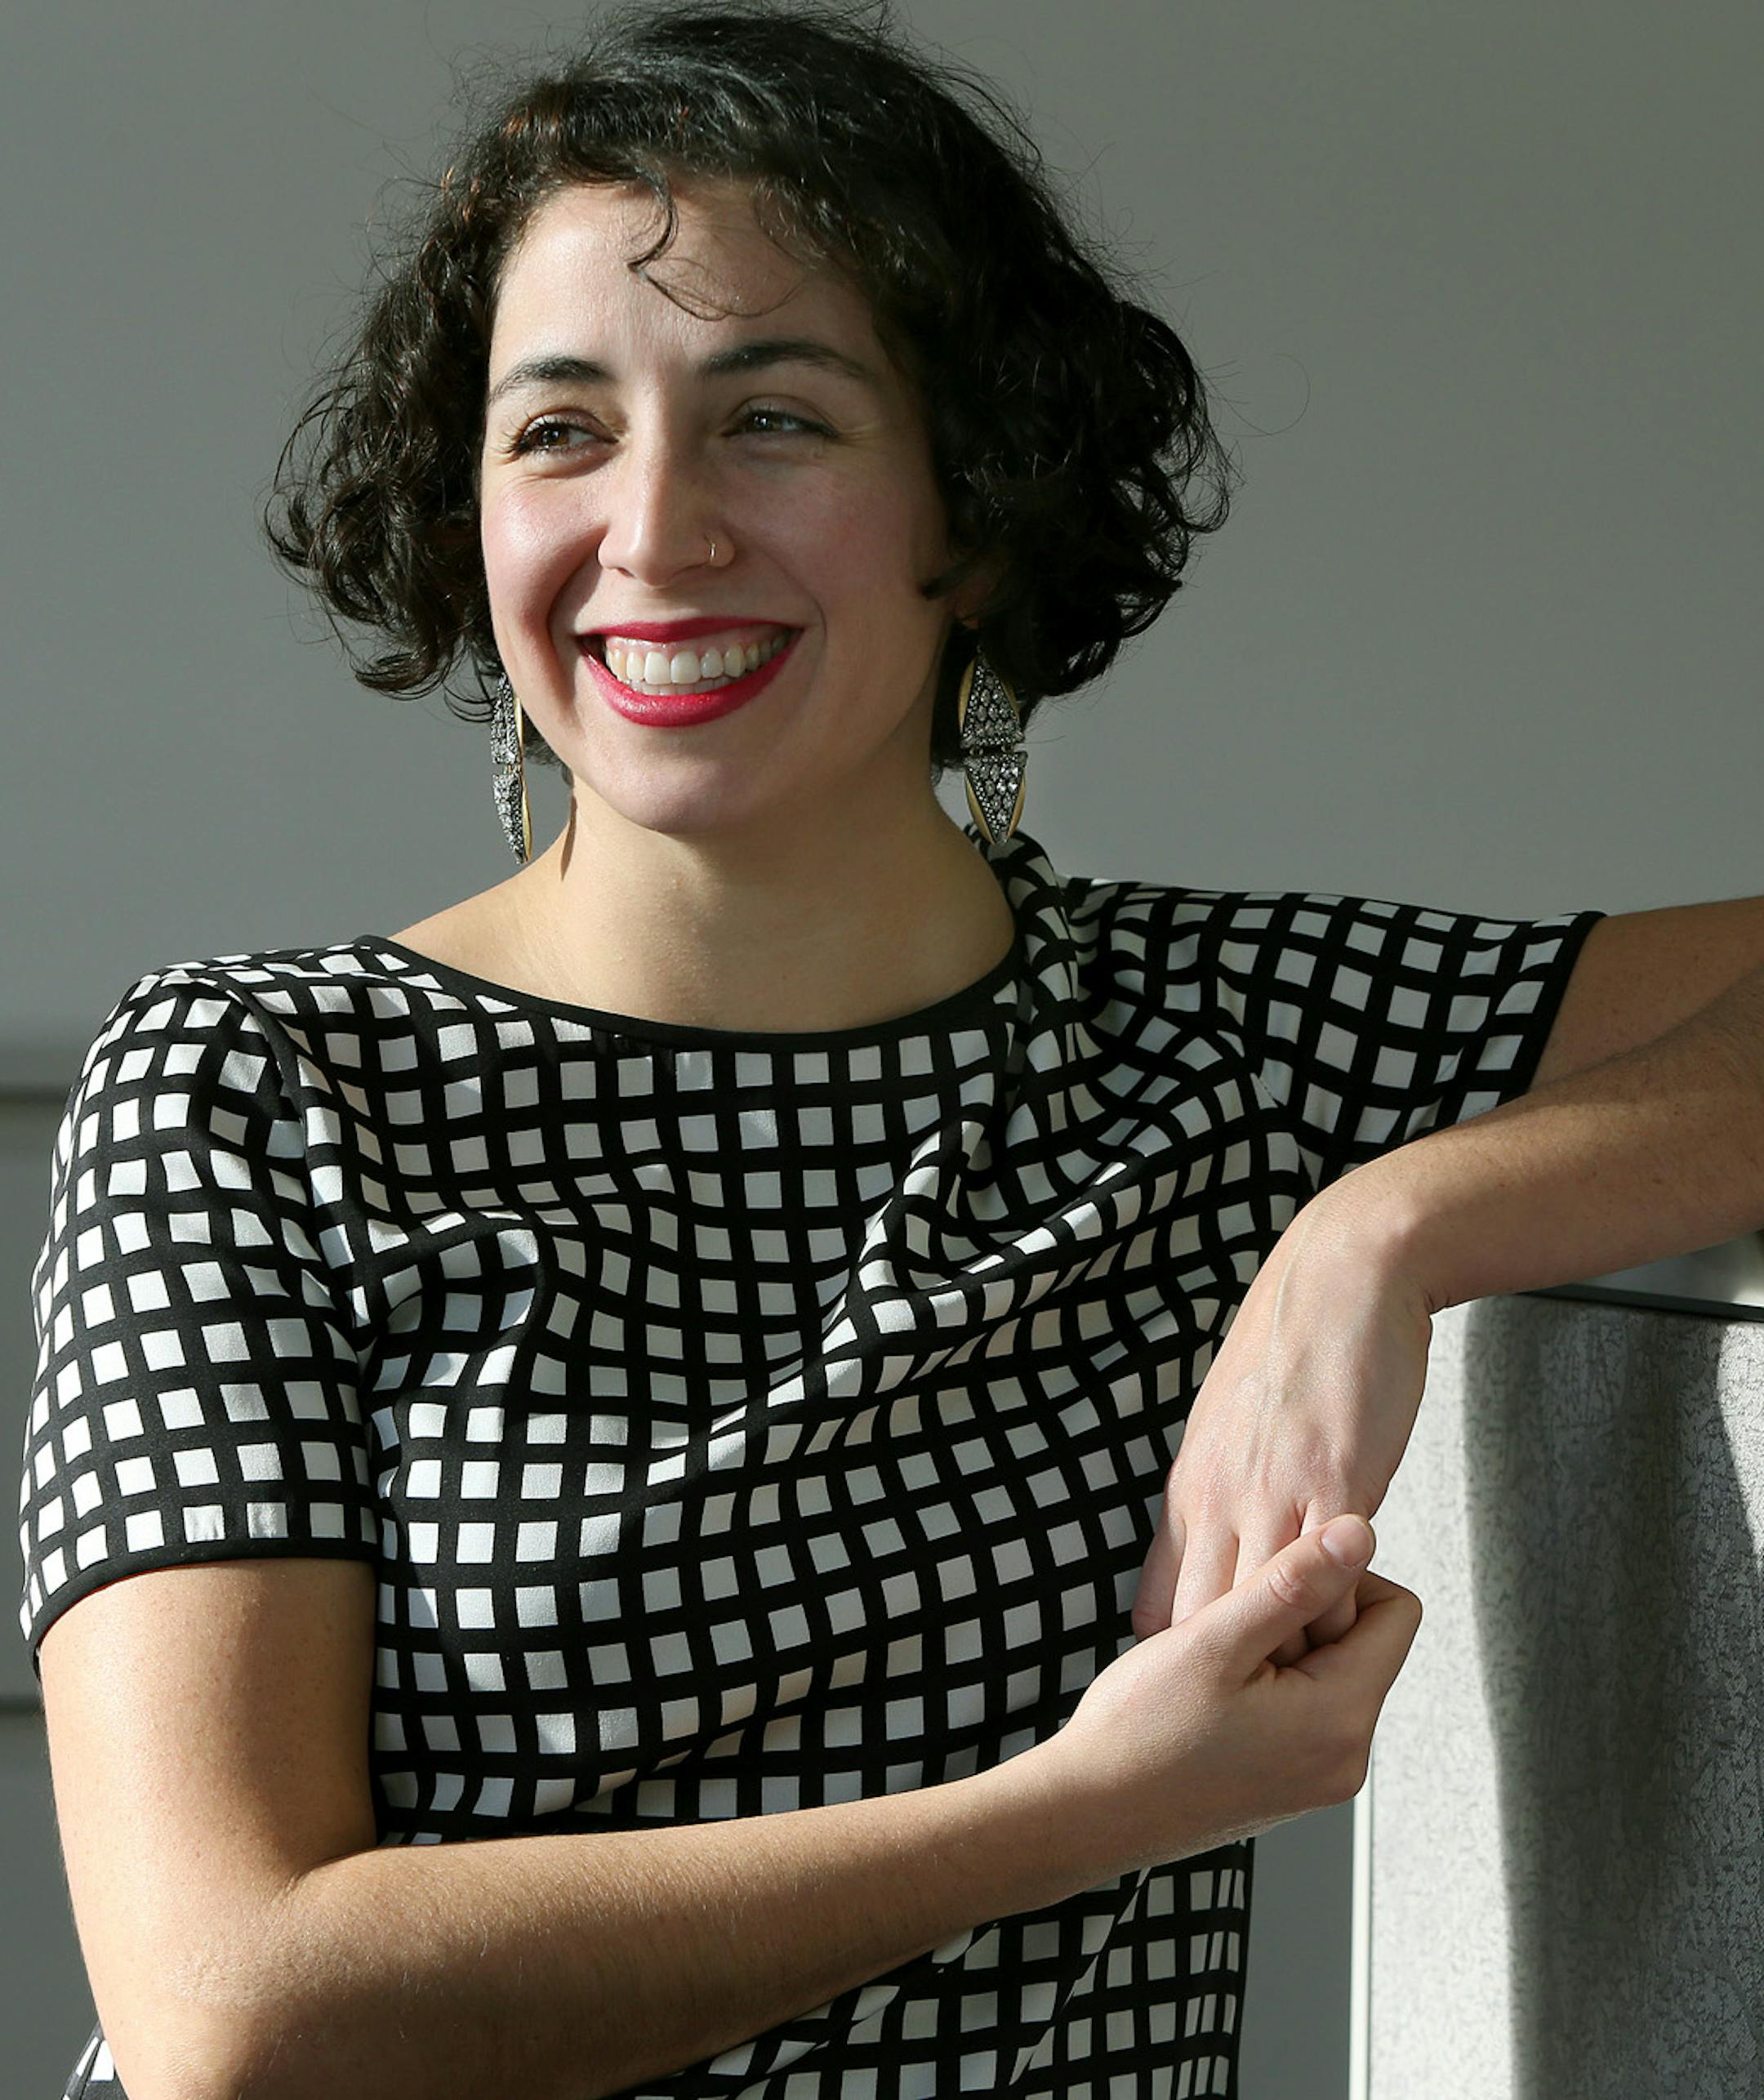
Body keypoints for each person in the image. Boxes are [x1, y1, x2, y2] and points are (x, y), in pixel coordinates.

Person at [16, 5, 1606, 2096]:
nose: (654, 531)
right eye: (559, 429)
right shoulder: (251, 1093)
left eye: (775, 417)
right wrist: (1085, 1805)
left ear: (983, 498)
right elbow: (240, 2011)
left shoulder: (1220, 1043)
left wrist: (1390, 1220)